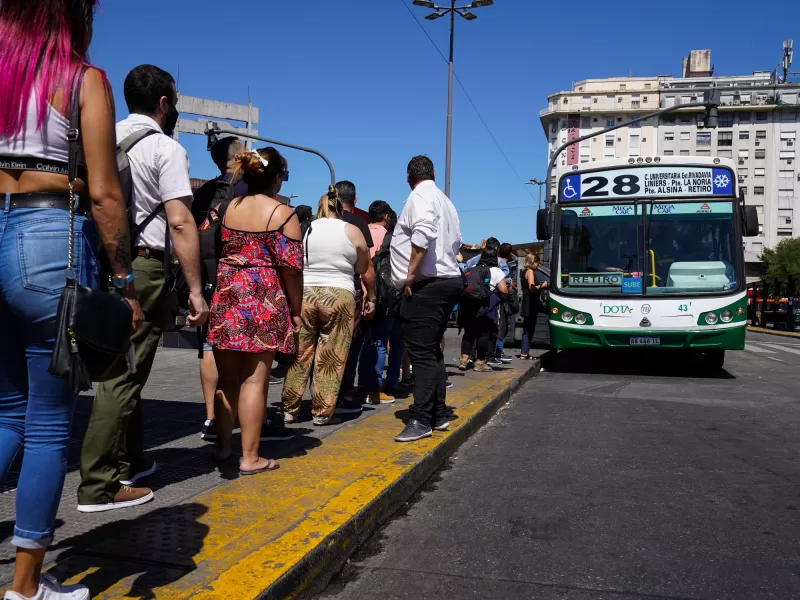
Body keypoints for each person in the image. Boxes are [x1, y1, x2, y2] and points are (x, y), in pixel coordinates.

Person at [0, 2, 142, 597]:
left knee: (6, 412)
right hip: (46, 239)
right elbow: (106, 195)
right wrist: (124, 280)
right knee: (48, 425)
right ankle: (27, 586)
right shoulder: (81, 78)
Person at [77, 64, 209, 513]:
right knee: (123, 375)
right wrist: (195, 291)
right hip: (145, 266)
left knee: (128, 363)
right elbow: (180, 221)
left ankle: (132, 460)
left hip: (102, 261)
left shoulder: (103, 136)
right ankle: (99, 483)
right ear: (164, 102)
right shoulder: (165, 149)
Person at [205, 148, 303, 473]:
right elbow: (292, 272)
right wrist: (296, 311)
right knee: (253, 381)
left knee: (227, 380)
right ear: (276, 179)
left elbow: (208, 239)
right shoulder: (284, 215)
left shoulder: (226, 208)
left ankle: (222, 448)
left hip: (227, 295)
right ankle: (250, 457)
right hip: (263, 299)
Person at [282, 188, 369, 425]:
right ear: (340, 207)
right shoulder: (352, 230)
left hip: (306, 293)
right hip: (339, 294)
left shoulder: (306, 228)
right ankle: (321, 412)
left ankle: (289, 409)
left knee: (300, 352)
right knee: (332, 354)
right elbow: (363, 267)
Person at [391, 156, 463, 443]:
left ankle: (421, 419)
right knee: (432, 351)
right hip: (445, 282)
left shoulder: (419, 196)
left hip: (428, 285)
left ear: (409, 178)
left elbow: (423, 233)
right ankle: (438, 413)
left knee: (421, 354)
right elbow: (455, 242)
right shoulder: (445, 201)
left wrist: (410, 274)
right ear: (433, 173)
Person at [193, 136, 247, 442]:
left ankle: (211, 418)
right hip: (239, 275)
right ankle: (240, 414)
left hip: (207, 274)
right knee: (242, 348)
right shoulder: (247, 189)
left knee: (209, 345)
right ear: (239, 157)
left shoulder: (204, 192)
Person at [335, 180, 376, 416]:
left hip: (313, 291)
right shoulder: (358, 223)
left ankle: (316, 397)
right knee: (348, 345)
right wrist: (371, 296)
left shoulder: (317, 221)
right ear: (355, 200)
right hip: (348, 290)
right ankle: (345, 393)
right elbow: (366, 264)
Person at [358, 201, 404, 403]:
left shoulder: (358, 232)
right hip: (379, 297)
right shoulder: (391, 238)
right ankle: (374, 388)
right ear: (386, 216)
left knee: (357, 345)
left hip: (357, 294)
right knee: (379, 342)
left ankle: (356, 387)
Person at [458, 246, 509, 372]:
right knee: (483, 334)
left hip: (469, 305)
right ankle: (480, 362)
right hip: (486, 307)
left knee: (469, 332)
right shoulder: (497, 271)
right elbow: (503, 290)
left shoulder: (472, 268)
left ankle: (464, 360)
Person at [492, 242, 516, 365]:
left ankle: (496, 352)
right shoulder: (504, 266)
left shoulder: (494, 263)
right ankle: (498, 352)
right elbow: (507, 285)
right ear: (510, 254)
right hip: (501, 299)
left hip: (494, 298)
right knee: (502, 326)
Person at [520, 253, 546, 360]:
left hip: (527, 302)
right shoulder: (530, 271)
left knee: (528, 327)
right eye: (537, 263)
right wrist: (542, 285)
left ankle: (525, 352)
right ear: (532, 262)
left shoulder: (524, 272)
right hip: (531, 303)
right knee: (529, 328)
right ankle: (524, 353)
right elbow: (532, 288)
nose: (538, 265)